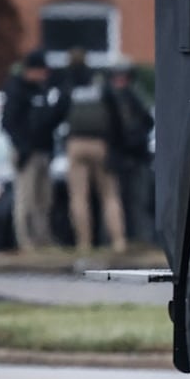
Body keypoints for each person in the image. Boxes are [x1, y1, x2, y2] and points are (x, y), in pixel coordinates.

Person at [60, 47, 127, 254]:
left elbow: (58, 113)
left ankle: (84, 243)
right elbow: (116, 115)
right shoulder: (100, 83)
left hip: (76, 143)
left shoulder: (68, 84)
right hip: (100, 144)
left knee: (79, 196)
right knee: (109, 195)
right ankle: (118, 241)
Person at [0, 49, 65, 252]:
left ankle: (43, 238)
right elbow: (8, 122)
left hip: (43, 150)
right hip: (26, 152)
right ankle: (25, 241)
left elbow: (47, 121)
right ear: (32, 70)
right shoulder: (17, 90)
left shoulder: (42, 90)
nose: (45, 75)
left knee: (43, 199)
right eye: (42, 71)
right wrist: (22, 146)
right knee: (25, 198)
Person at [105, 62, 153, 245]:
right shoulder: (112, 98)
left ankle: (141, 239)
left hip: (135, 157)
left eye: (123, 77)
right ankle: (120, 239)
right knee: (118, 201)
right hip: (121, 158)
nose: (120, 81)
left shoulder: (133, 98)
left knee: (138, 202)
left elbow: (147, 122)